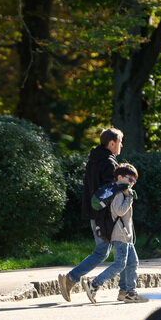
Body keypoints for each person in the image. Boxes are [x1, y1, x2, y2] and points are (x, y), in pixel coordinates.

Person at [58, 128, 122, 302]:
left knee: (104, 251)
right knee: (103, 252)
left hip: (93, 212)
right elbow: (109, 191)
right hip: (103, 215)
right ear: (112, 143)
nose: (121, 145)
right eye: (119, 142)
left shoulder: (94, 160)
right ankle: (71, 278)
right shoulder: (108, 163)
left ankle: (72, 278)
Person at [82, 163, 148, 304]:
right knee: (120, 264)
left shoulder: (122, 191)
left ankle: (129, 293)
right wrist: (129, 198)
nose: (132, 183)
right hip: (120, 235)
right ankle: (94, 284)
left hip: (126, 235)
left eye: (134, 181)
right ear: (119, 177)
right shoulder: (119, 193)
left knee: (133, 263)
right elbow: (119, 211)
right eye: (130, 179)